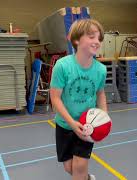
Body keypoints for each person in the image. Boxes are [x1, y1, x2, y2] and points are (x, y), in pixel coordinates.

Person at [50, 19, 107, 180]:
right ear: (76, 40)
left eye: (99, 38)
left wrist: (104, 116)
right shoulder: (62, 66)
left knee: (80, 167)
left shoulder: (100, 70)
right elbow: (55, 98)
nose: (97, 41)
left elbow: (100, 93)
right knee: (70, 167)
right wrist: (71, 123)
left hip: (87, 126)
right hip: (64, 124)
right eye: (91, 37)